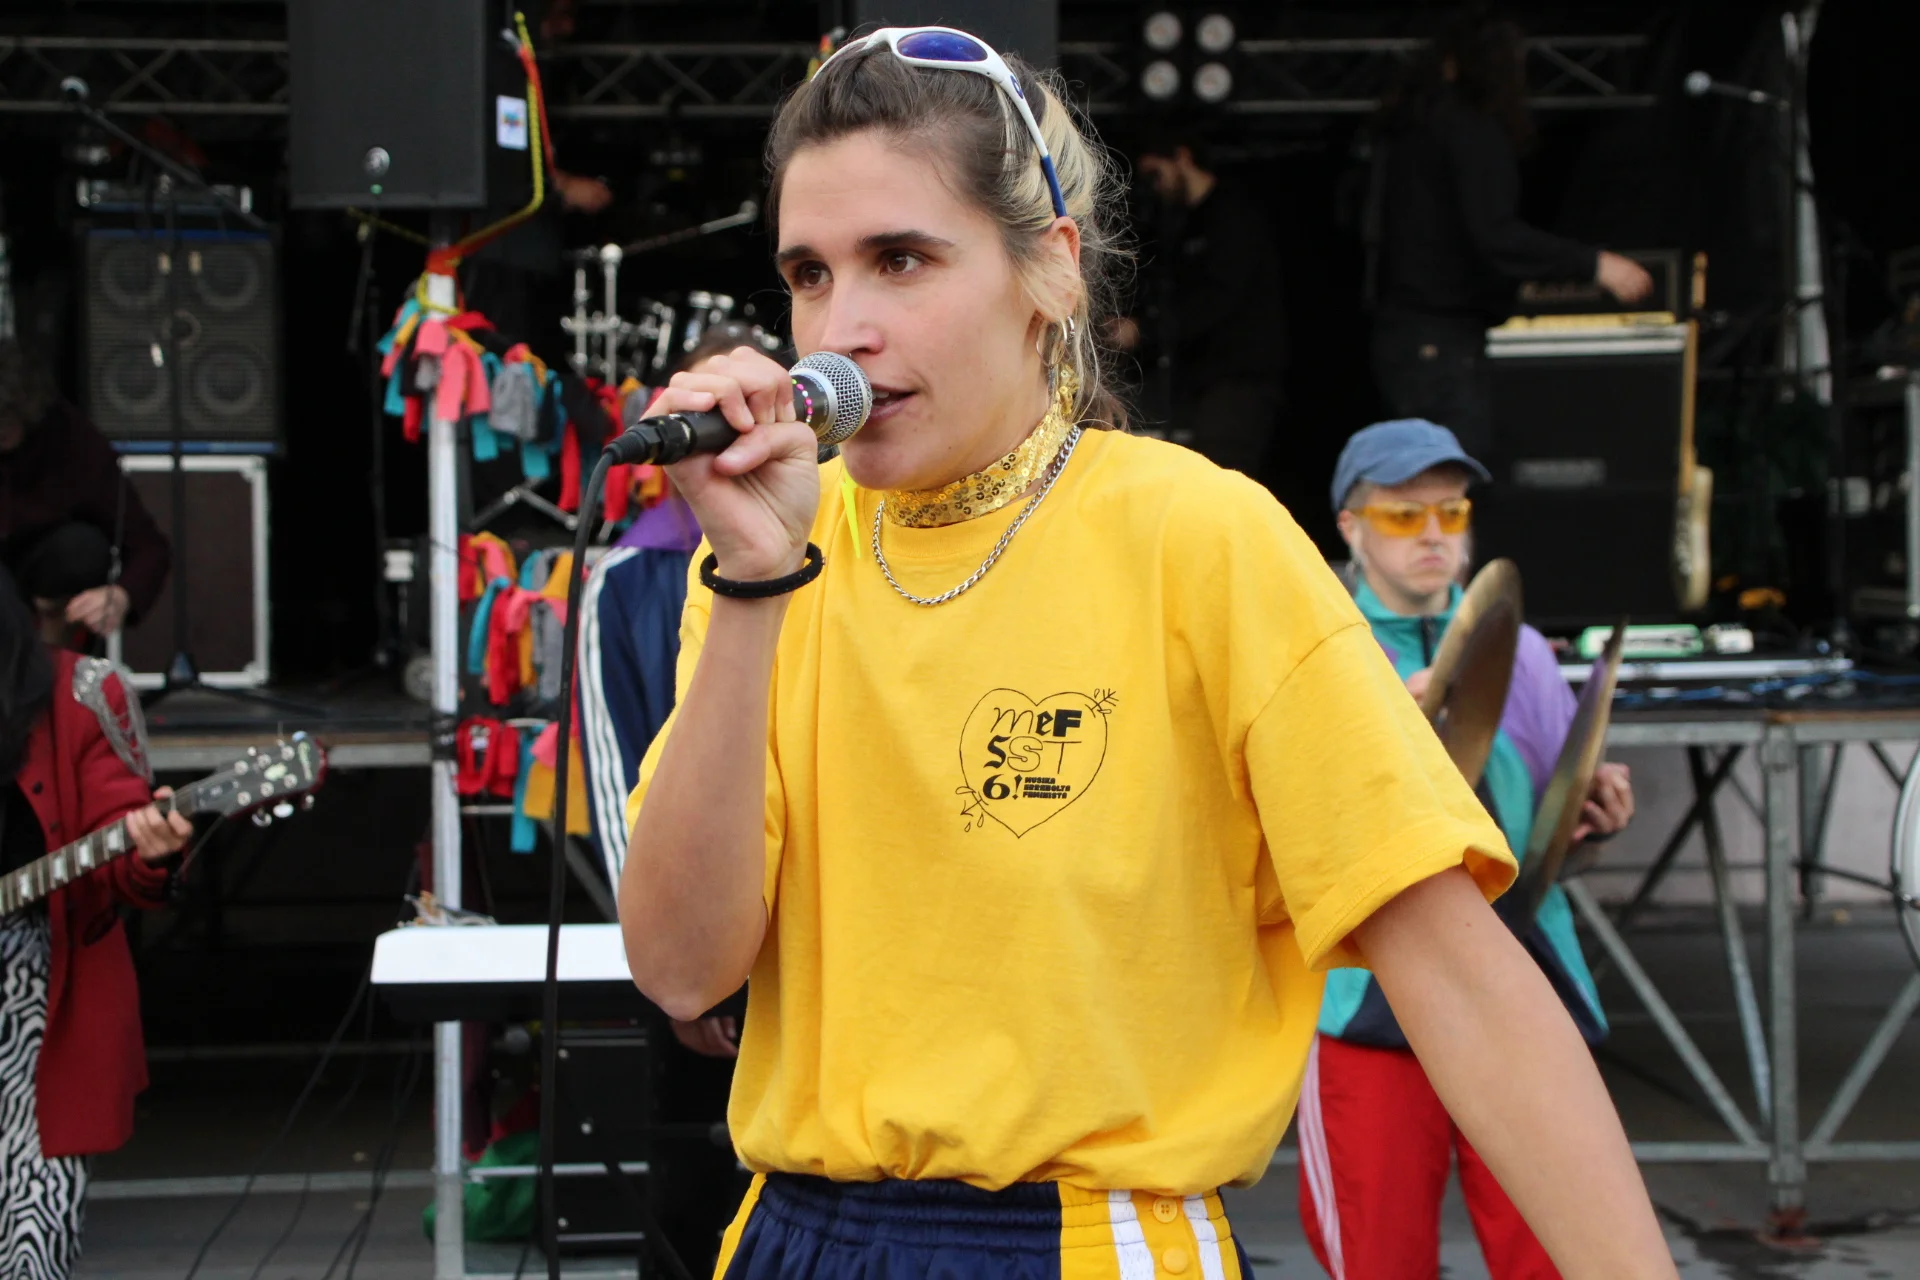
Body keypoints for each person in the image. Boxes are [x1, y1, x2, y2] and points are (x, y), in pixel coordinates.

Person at [619, 24, 1676, 1279]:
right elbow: (680, 970)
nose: (841, 326)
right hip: (788, 1233)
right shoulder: (773, 556)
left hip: (1087, 1239)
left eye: (901, 259)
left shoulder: (1198, 535)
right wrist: (751, 581)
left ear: (1052, 272)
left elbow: (1463, 974)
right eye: (809, 273)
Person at [1302, 417, 1634, 1278]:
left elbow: (1547, 843)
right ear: (1350, 526)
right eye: (1404, 515)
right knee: (1378, 1258)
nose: (1434, 535)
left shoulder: (1522, 650)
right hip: (1370, 991)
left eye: (1451, 512)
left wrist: (1593, 810)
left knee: (1555, 1254)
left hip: (1520, 978)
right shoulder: (1313, 648)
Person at [0, 563, 192, 1278]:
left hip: (36, 1004)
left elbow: (121, 855)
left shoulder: (76, 694)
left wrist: (152, 850)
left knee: (31, 1249)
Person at [1369, 13, 1653, 454]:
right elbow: (1495, 234)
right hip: (1441, 338)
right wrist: (1594, 264)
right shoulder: (1467, 126)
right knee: (1451, 472)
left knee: (1425, 469)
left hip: (1411, 334)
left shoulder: (1410, 127)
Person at [1118, 133, 1286, 477]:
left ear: (1182, 157)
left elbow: (1216, 300)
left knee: (1225, 477)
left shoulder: (1234, 215)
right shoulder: (1181, 225)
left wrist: (1142, 331)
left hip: (1237, 378)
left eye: (1156, 174)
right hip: (1199, 381)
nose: (1155, 187)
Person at [0, 340, 171, 648]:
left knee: (81, 549)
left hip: (39, 574)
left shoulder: (71, 440)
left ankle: (56, 665)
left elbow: (148, 545)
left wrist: (122, 596)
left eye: (8, 422)